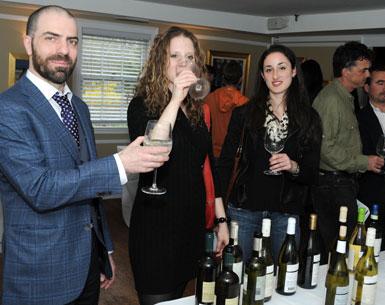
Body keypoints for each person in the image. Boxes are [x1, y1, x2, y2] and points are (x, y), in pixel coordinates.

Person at [0, 5, 168, 305]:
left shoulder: (79, 106)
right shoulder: (9, 109)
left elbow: (88, 189)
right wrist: (120, 164)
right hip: (41, 274)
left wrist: (105, 250)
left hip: (87, 265)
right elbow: (40, 189)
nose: (63, 50)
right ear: (28, 43)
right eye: (51, 38)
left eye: (72, 41)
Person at [127, 26, 229, 305]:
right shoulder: (140, 106)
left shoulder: (198, 110)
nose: (183, 63)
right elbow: (153, 148)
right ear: (160, 61)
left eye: (189, 56)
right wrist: (175, 99)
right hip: (155, 226)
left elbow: (210, 166)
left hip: (190, 225)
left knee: (181, 298)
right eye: (174, 56)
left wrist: (221, 221)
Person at [218, 44, 322, 263]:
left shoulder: (309, 118)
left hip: (286, 212)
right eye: (268, 69)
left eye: (282, 67)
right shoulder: (244, 114)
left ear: (294, 71)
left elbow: (312, 173)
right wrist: (220, 218)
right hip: (244, 210)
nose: (275, 75)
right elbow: (226, 163)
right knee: (238, 275)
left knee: (284, 276)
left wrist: (293, 166)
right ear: (262, 75)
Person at [312, 41, 384, 264]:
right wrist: (364, 162)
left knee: (342, 247)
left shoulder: (345, 97)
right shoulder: (332, 99)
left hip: (340, 183)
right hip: (332, 185)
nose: (367, 74)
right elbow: (325, 148)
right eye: (363, 70)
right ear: (345, 71)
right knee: (340, 248)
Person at [357, 63, 385, 250]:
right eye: (380, 82)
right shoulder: (359, 118)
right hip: (373, 188)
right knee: (371, 243)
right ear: (367, 87)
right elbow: (368, 154)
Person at [205, 60, 249, 160]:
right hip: (233, 154)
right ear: (240, 79)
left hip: (211, 152)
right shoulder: (245, 103)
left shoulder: (210, 98)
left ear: (223, 78)